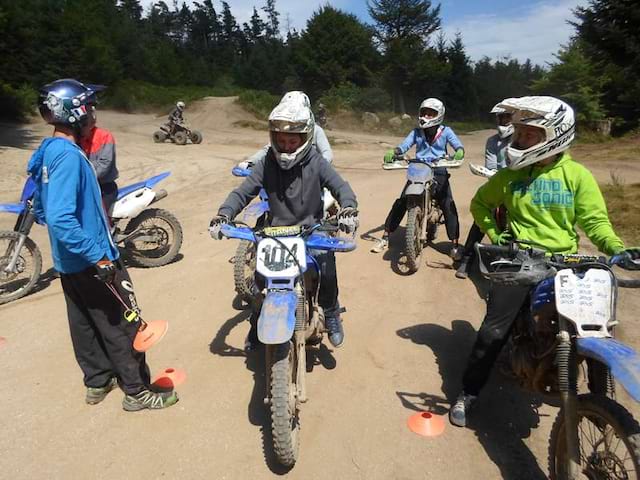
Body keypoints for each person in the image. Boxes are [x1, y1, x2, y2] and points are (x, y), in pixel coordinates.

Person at [449, 95, 633, 427]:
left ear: (555, 135)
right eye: (519, 134)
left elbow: (595, 222)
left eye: (529, 135)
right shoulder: (509, 177)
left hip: (566, 261)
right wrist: (496, 234)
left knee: (596, 328)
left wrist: (616, 248)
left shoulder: (576, 176)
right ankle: (469, 392)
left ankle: (601, 406)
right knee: (493, 331)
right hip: (520, 259)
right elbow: (480, 204)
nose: (519, 141)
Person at [28, 79, 178, 411]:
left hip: (68, 262)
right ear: (74, 111)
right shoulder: (68, 156)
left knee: (83, 323)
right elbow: (60, 217)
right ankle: (137, 392)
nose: (94, 114)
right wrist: (99, 255)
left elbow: (40, 206)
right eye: (89, 107)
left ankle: (98, 381)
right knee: (124, 324)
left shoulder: (48, 152)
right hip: (92, 259)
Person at [209, 99, 359, 350]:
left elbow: (341, 187)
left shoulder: (316, 161)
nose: (286, 146)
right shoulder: (267, 162)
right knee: (259, 281)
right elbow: (243, 192)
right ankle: (257, 319)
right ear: (273, 138)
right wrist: (224, 214)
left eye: (292, 141)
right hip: (275, 233)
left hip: (311, 229)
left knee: (327, 267)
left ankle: (331, 313)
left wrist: (348, 208)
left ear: (305, 138)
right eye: (281, 140)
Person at [371, 98, 465, 257]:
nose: (426, 116)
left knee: (447, 203)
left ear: (439, 115)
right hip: (419, 169)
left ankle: (454, 244)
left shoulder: (446, 131)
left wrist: (459, 151)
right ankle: (385, 237)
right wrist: (394, 152)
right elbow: (404, 146)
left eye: (431, 113)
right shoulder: (416, 132)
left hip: (438, 169)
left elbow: (457, 145)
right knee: (402, 201)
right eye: (424, 113)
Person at [455, 103, 514, 279]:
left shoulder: (519, 140)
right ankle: (467, 259)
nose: (504, 121)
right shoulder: (492, 141)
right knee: (482, 218)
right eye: (501, 118)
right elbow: (490, 166)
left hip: (517, 188)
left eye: (507, 117)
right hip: (497, 185)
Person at [241, 91, 333, 167]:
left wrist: (319, 167)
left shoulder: (316, 131)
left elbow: (326, 152)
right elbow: (268, 149)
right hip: (283, 172)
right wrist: (250, 161)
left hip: (310, 176)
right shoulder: (283, 129)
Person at [79, 87, 119, 215]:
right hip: (85, 187)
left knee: (97, 218)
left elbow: (104, 165)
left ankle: (106, 234)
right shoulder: (76, 138)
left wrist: (82, 177)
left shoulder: (105, 136)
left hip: (104, 188)